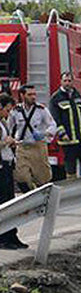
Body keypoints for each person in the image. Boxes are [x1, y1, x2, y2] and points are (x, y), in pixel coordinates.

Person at [49, 72, 81, 178]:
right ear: (61, 82)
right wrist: (62, 134)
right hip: (68, 142)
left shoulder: (78, 96)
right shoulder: (56, 98)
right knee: (71, 171)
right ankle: (73, 191)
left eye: (69, 81)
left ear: (73, 82)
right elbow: (55, 119)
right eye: (65, 81)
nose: (67, 83)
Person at [8, 84, 55, 189]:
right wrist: (11, 140)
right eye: (30, 94)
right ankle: (30, 193)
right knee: (21, 176)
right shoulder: (16, 111)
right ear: (22, 95)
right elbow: (9, 127)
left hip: (38, 147)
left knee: (42, 177)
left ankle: (41, 194)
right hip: (22, 147)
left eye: (34, 94)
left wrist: (45, 133)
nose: (33, 97)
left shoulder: (41, 110)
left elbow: (52, 125)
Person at [0, 93, 28, 249]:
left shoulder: (3, 123)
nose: (8, 113)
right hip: (1, 167)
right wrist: (5, 142)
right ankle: (3, 237)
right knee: (3, 202)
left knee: (10, 201)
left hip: (7, 164)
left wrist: (11, 144)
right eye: (7, 110)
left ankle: (11, 235)